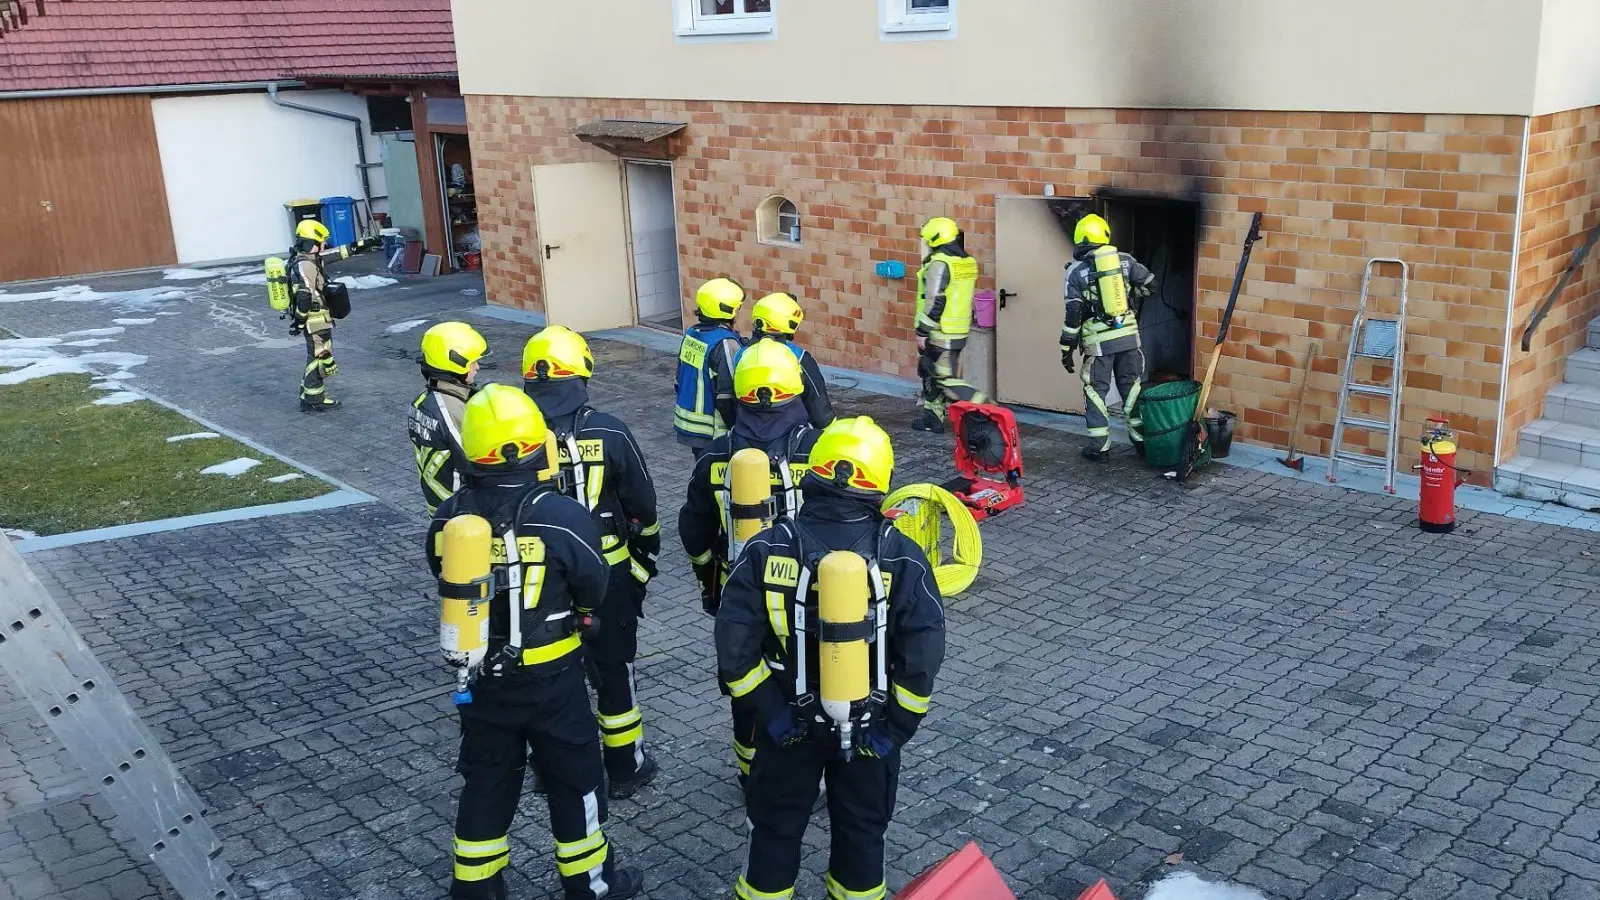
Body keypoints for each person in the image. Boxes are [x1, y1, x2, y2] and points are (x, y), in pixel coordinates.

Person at [715, 416, 946, 900]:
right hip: (869, 727)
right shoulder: (902, 555)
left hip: (787, 726)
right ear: (879, 483)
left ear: (813, 473)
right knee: (862, 838)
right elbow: (922, 653)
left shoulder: (765, 548)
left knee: (774, 833)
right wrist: (895, 729)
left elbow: (734, 652)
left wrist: (773, 715)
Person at [427, 384, 642, 900]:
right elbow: (594, 583)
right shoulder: (561, 514)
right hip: (554, 677)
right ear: (532, 446)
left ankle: (475, 888)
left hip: (482, 678)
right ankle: (590, 884)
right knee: (576, 779)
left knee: (487, 777)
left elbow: (440, 570)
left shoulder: (450, 518)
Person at [522, 325, 661, 798]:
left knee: (549, 676)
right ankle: (626, 767)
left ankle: (552, 770)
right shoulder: (608, 430)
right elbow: (643, 504)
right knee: (615, 671)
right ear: (581, 375)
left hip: (535, 578)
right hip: (607, 574)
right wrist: (643, 565)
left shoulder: (513, 435)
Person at [680, 340, 820, 785]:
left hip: (740, 593)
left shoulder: (715, 455)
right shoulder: (821, 452)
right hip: (812, 595)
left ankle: (751, 775)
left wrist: (709, 582)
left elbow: (694, 531)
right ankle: (811, 773)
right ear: (795, 390)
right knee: (814, 676)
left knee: (747, 685)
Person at [1060, 213, 1157, 461]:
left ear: (1081, 239)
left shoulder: (1075, 271)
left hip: (1099, 344)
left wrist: (1066, 348)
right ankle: (1142, 443)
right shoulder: (1126, 260)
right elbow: (1151, 286)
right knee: (1132, 388)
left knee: (1096, 392)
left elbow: (1073, 314)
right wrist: (1127, 297)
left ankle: (1099, 448)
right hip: (1129, 338)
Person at [717, 292, 835, 431]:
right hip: (790, 434)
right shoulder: (799, 357)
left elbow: (728, 400)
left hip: (747, 432)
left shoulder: (740, 356)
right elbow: (820, 410)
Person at [913, 217, 986, 433]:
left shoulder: (940, 263)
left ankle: (984, 406)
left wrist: (922, 331)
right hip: (957, 329)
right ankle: (932, 418)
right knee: (930, 372)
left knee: (943, 379)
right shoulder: (967, 262)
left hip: (940, 331)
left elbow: (936, 300)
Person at [410, 322, 488, 515]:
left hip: (441, 506)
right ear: (455, 363)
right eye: (472, 362)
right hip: (461, 510)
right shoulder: (450, 410)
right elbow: (475, 464)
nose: (477, 367)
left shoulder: (421, 401)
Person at [674, 277, 747, 459]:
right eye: (737, 309)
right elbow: (726, 397)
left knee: (703, 471)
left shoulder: (692, 334)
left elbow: (678, 380)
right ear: (727, 310)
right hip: (714, 433)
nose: (738, 314)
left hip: (690, 427)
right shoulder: (725, 343)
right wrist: (739, 429)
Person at [287, 219, 341, 412]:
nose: (325, 244)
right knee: (320, 360)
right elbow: (304, 296)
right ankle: (314, 400)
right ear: (313, 241)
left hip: (317, 320)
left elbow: (336, 254)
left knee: (315, 358)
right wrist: (300, 321)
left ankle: (307, 396)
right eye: (322, 241)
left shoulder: (307, 259)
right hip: (316, 322)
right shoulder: (306, 265)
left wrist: (362, 244)